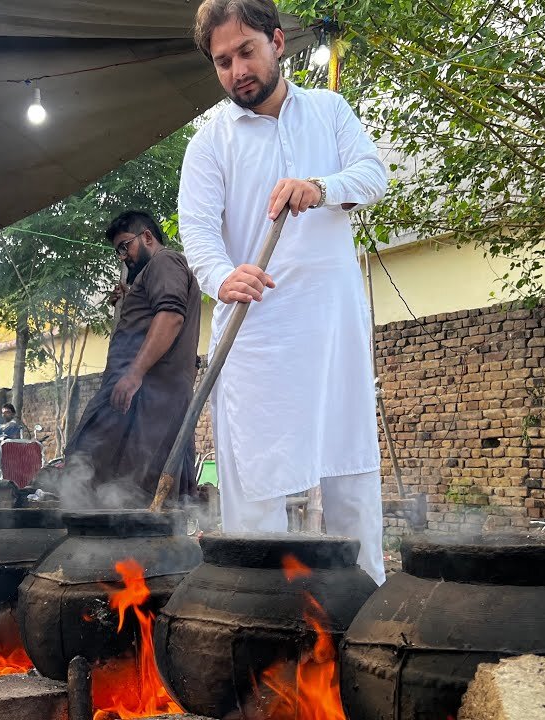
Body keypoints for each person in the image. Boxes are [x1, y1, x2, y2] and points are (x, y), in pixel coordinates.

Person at [178, 0, 388, 583]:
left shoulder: (328, 110)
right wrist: (223, 277)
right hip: (257, 333)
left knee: (349, 467)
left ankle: (365, 607)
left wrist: (319, 187)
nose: (236, 70)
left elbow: (373, 176)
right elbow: (196, 228)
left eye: (246, 51)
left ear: (277, 41)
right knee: (256, 484)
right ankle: (258, 612)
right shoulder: (210, 142)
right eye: (223, 62)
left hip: (331, 328)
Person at [58, 211, 202, 506]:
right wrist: (131, 296)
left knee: (105, 477)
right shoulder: (151, 274)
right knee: (113, 485)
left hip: (147, 400)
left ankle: (125, 551)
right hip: (143, 401)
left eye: (125, 246)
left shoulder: (165, 261)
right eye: (118, 251)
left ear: (147, 236)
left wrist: (135, 373)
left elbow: (171, 316)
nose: (123, 256)